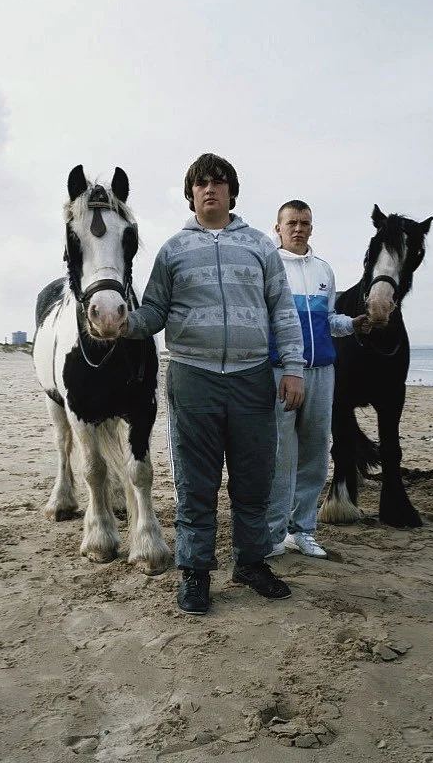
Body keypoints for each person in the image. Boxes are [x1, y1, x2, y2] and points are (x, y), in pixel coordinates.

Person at [121, 153, 306, 615]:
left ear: (231, 192)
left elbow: (282, 310)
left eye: (219, 182)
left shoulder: (260, 245)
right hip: (192, 377)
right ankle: (195, 572)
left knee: (253, 482)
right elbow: (154, 311)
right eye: (201, 183)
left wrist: (294, 368)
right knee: (195, 483)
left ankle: (251, 564)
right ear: (191, 193)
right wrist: (124, 323)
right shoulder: (173, 250)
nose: (210, 189)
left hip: (252, 378)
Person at [266, 200, 368, 559]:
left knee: (314, 455)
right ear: (278, 228)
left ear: (312, 227)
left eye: (305, 223)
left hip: (323, 371)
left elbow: (329, 320)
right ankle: (274, 533)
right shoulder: (269, 266)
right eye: (292, 222)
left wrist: (351, 324)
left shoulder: (324, 269)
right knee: (281, 456)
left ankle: (302, 530)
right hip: (280, 372)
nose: (299, 229)